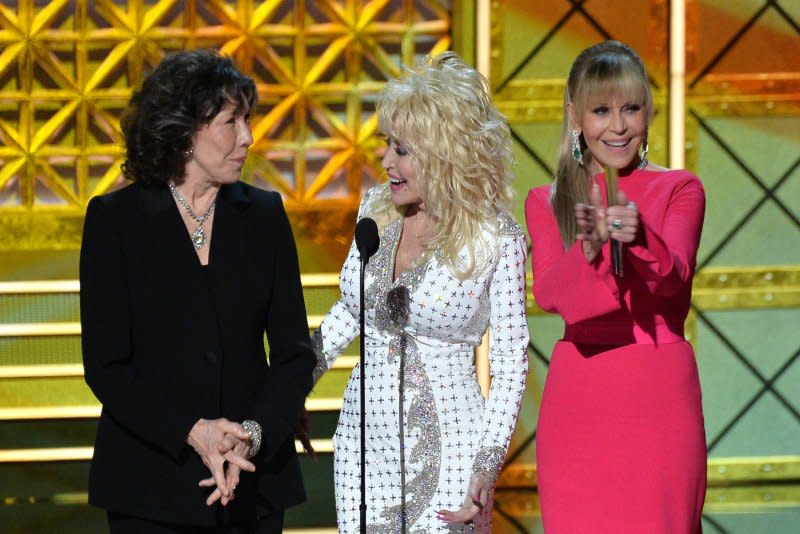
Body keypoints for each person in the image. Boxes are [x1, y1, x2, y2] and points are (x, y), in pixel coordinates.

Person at [79, 49, 315, 533]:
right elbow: (106, 365)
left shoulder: (265, 216)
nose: (247, 138)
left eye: (248, 120)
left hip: (252, 482)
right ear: (185, 131)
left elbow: (293, 355)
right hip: (151, 486)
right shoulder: (115, 222)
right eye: (232, 121)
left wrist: (251, 435)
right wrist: (194, 431)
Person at [312, 51, 529, 532]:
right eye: (388, 145)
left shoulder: (496, 239)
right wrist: (285, 392)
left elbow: (511, 361)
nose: (386, 160)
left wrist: (486, 465)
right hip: (363, 448)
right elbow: (351, 313)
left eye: (402, 150)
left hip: (454, 453)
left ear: (444, 152)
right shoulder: (376, 209)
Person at [525, 40, 707, 532]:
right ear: (576, 116)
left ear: (648, 112)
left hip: (658, 398)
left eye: (630, 108)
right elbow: (550, 294)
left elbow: (676, 278)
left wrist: (641, 235)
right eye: (601, 110)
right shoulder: (547, 200)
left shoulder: (679, 188)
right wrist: (589, 248)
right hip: (580, 400)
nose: (619, 125)